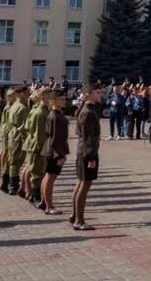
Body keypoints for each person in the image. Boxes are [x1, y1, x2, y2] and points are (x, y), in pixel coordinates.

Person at [71, 84, 102, 231]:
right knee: (84, 185)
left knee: (81, 184)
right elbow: (89, 136)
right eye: (97, 92)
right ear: (88, 94)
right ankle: (79, 220)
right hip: (87, 152)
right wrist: (91, 158)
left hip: (84, 151)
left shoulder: (88, 110)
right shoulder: (88, 112)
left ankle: (75, 215)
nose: (100, 94)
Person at [41, 90, 70, 215]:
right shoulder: (54, 116)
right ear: (53, 101)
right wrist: (60, 155)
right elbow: (54, 138)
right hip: (54, 151)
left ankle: (44, 202)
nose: (64, 101)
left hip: (52, 150)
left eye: (64, 99)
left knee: (48, 177)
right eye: (61, 99)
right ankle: (49, 206)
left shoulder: (57, 114)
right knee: (50, 178)